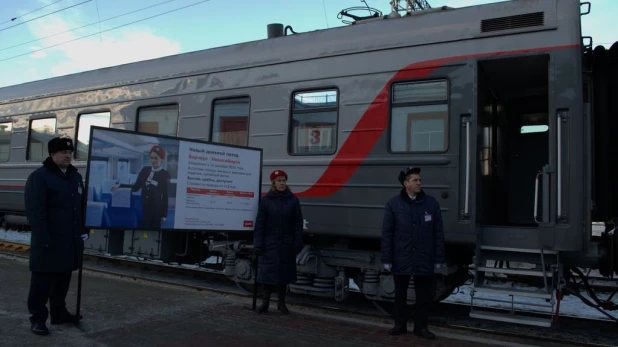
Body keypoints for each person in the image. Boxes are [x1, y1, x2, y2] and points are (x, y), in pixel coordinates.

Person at [24, 137, 90, 336]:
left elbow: (81, 206)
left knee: (62, 281)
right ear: (52, 155)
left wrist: (84, 229)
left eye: (70, 152)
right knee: (41, 284)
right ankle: (37, 319)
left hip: (69, 241)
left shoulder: (75, 177)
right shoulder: (40, 177)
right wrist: (43, 238)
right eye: (63, 152)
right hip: (49, 241)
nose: (68, 155)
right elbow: (36, 211)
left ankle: (59, 314)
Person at [380, 166, 445, 339]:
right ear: (405, 183)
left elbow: (438, 233)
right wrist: (386, 258)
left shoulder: (431, 204)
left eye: (419, 180)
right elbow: (387, 234)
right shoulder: (393, 204)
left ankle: (421, 327)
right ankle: (399, 325)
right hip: (402, 257)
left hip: (424, 258)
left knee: (424, 296)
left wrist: (438, 258)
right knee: (400, 295)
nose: (419, 183)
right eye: (415, 180)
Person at [253, 169, 304, 314]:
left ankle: (281, 303)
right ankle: (265, 303)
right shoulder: (266, 200)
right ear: (273, 183)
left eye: (283, 180)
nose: (282, 183)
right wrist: (258, 244)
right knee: (267, 275)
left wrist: (298, 242)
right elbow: (260, 224)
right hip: (269, 244)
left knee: (283, 275)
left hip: (286, 244)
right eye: (279, 180)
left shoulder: (293, 200)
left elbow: (298, 223)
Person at [111, 145, 171, 229]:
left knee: (154, 230)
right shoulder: (145, 170)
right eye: (151, 158)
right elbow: (136, 187)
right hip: (143, 207)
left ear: (161, 159)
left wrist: (164, 214)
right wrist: (120, 185)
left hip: (157, 209)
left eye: (156, 158)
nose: (153, 160)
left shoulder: (165, 174)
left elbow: (165, 196)